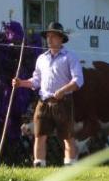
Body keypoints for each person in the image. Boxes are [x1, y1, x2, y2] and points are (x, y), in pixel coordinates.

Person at [13, 22, 84, 166]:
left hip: (63, 102)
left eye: (53, 36)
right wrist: (21, 83)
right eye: (48, 36)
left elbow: (79, 80)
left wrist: (63, 90)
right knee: (39, 135)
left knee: (67, 136)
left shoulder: (70, 57)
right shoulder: (41, 59)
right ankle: (39, 165)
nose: (49, 39)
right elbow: (36, 81)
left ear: (61, 39)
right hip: (44, 102)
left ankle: (70, 166)